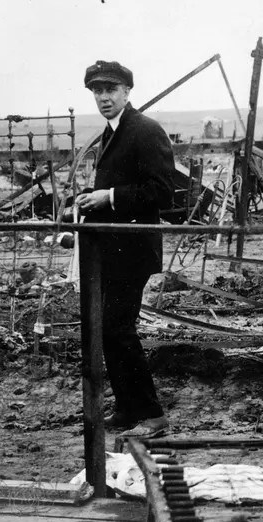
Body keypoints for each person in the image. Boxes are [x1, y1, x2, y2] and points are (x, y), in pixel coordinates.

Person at [76, 60, 174, 438]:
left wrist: (109, 196)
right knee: (108, 328)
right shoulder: (114, 131)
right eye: (97, 91)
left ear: (127, 92)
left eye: (110, 90)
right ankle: (128, 408)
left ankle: (152, 416)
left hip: (131, 248)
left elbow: (161, 192)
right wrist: (92, 198)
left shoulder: (144, 130)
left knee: (118, 329)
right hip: (112, 248)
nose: (103, 97)